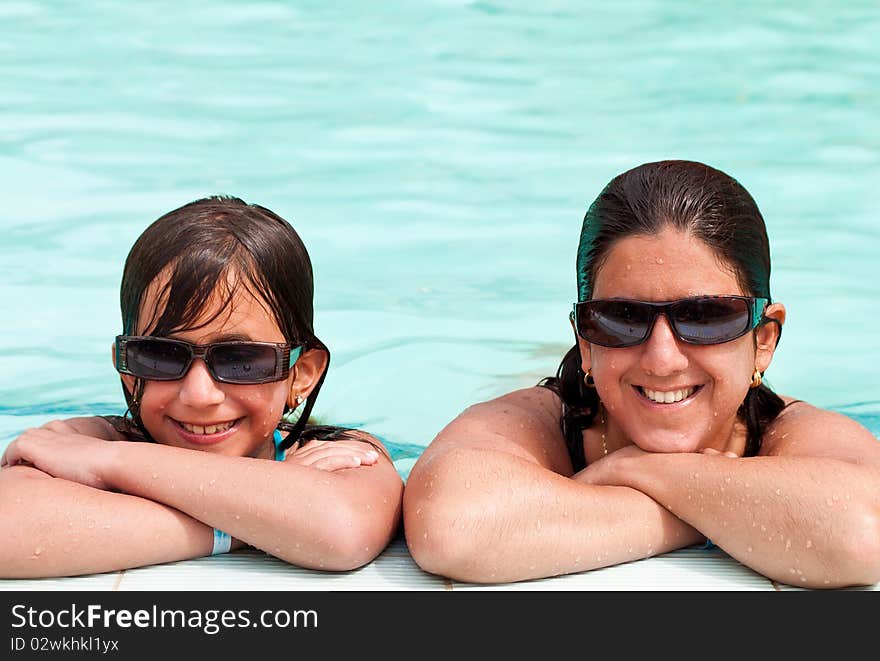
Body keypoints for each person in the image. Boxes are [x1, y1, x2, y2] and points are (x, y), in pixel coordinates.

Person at [403, 160, 880, 588]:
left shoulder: (790, 431)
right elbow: (450, 527)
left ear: (764, 340)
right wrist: (719, 509)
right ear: (585, 344)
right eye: (620, 318)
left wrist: (634, 468)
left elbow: (864, 534)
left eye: (705, 316)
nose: (662, 358)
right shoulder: (540, 422)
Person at [0, 196, 403, 578]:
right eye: (160, 355)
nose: (199, 395)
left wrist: (112, 463)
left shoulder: (336, 452)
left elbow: (342, 529)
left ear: (302, 374)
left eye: (241, 359)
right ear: (126, 369)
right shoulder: (92, 437)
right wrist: (263, 522)